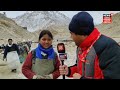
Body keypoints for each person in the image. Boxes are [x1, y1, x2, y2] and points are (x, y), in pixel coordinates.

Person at [59, 11, 120, 79]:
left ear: (80, 34)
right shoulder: (80, 47)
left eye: (71, 34)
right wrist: (69, 71)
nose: (71, 37)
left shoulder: (108, 47)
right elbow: (81, 68)